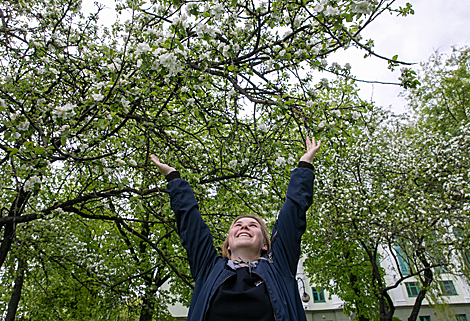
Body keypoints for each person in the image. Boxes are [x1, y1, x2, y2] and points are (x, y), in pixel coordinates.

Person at [150, 137, 321, 321]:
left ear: (265, 245)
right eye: (238, 225)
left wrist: (305, 165)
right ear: (228, 245)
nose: (244, 226)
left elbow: (292, 215)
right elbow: (192, 226)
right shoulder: (208, 269)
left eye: (253, 225)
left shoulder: (278, 267)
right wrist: (174, 178)